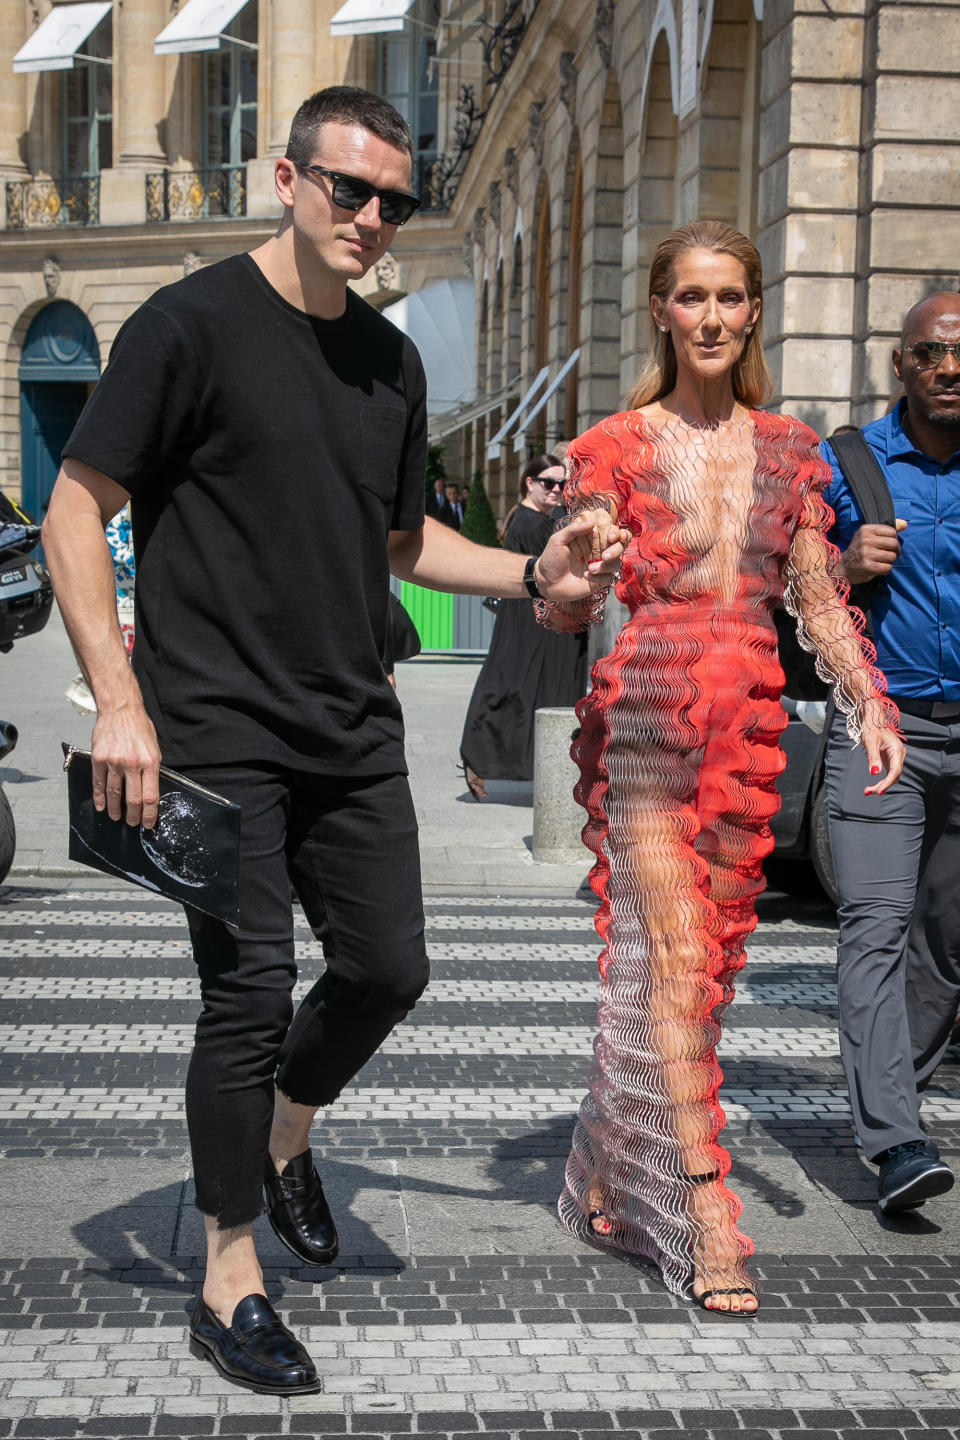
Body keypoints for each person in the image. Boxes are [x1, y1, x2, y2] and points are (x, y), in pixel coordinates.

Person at [41, 85, 627, 1396]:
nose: (371, 217)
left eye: (393, 202)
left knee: (390, 969)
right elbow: (80, 507)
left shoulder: (390, 362)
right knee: (244, 998)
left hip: (352, 720)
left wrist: (537, 580)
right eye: (348, 189)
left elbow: (404, 541)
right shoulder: (188, 326)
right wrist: (119, 699)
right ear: (286, 178)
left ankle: (288, 1136)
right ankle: (229, 1271)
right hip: (214, 728)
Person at [538, 220, 903, 1315]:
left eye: (728, 299)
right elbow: (574, 590)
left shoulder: (793, 451)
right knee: (676, 956)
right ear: (660, 309)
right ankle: (701, 1211)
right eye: (689, 297)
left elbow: (817, 596)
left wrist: (869, 701)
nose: (708, 317)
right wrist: (574, 574)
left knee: (693, 977)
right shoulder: (612, 444)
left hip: (743, 730)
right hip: (647, 723)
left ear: (752, 313)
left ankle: (602, 1164)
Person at [821, 291, 960, 1215]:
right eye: (932, 354)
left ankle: (890, 1091)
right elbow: (782, 589)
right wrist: (842, 563)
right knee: (874, 924)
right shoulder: (847, 465)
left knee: (946, 946)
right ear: (901, 365)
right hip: (883, 729)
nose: (951, 368)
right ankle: (897, 1139)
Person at [459, 454, 588, 798]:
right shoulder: (531, 523)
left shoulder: (535, 518)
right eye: (548, 482)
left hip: (538, 618)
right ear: (529, 483)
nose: (556, 489)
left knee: (524, 688)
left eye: (562, 483)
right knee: (516, 688)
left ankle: (538, 767)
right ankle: (483, 758)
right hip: (533, 620)